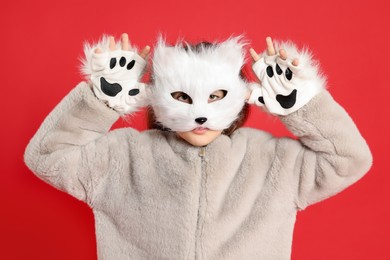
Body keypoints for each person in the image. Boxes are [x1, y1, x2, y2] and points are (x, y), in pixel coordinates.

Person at [24, 33, 372, 259]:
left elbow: (349, 160)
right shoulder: (122, 156)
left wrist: (301, 104)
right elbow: (47, 158)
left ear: (239, 95)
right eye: (180, 96)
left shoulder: (272, 161)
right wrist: (102, 98)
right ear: (156, 96)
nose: (201, 114)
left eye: (218, 96)